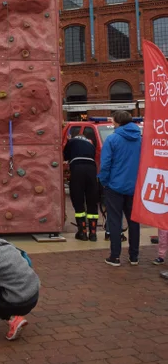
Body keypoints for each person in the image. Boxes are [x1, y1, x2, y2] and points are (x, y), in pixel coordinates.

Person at [98, 110, 142, 267]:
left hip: (115, 186)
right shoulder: (140, 139)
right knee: (134, 221)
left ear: (117, 122)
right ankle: (134, 256)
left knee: (115, 220)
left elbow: (105, 164)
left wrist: (104, 181)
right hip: (135, 186)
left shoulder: (112, 139)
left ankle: (115, 256)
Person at [63, 132, 99, 241]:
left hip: (77, 169)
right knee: (92, 201)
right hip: (91, 170)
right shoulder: (90, 144)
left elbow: (65, 156)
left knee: (78, 200)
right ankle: (93, 234)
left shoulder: (71, 142)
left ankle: (82, 232)